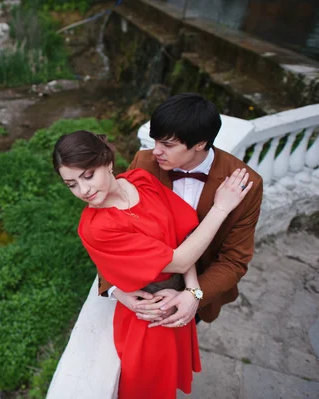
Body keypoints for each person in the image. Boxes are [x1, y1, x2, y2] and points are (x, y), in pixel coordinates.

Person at [52, 129, 254, 398]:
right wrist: (221, 207)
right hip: (150, 318)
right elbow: (180, 258)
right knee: (149, 388)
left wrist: (192, 291)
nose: (83, 190)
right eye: (72, 184)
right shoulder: (96, 227)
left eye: (88, 175)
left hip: (178, 301)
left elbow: (181, 238)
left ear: (108, 163)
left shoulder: (141, 180)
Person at [100, 93, 264, 328]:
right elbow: (110, 227)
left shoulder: (245, 185)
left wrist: (194, 296)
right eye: (155, 140)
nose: (155, 151)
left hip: (199, 293)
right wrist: (115, 288)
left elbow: (234, 259)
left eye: (167, 145)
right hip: (143, 289)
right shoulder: (144, 163)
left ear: (200, 143)